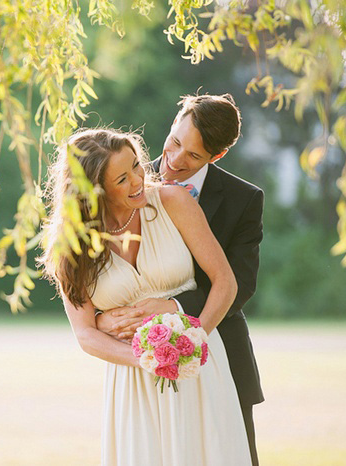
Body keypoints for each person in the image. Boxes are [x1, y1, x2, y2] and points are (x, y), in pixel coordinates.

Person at [39, 127, 252, 465]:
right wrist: (146, 359)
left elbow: (225, 282)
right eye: (122, 179)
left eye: (136, 165)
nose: (138, 180)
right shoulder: (72, 245)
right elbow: (85, 334)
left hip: (196, 366)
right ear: (93, 191)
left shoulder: (172, 202)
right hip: (133, 381)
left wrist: (193, 339)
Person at [96, 94, 264, 465]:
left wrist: (175, 311)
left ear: (216, 157)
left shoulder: (244, 200)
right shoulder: (123, 179)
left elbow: (239, 284)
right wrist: (102, 318)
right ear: (173, 124)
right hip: (140, 369)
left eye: (193, 156)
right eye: (174, 142)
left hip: (220, 350)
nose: (173, 160)